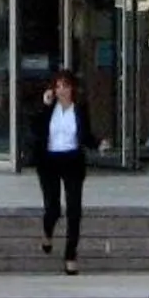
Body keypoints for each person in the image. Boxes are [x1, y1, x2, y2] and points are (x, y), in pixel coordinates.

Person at [35, 67, 96, 272]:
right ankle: (47, 233)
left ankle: (71, 255)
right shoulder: (48, 108)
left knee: (74, 210)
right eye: (58, 86)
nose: (61, 90)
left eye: (65, 86)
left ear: (72, 89)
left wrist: (98, 143)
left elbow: (86, 135)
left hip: (72, 160)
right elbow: (36, 130)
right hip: (49, 161)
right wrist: (44, 106)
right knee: (53, 208)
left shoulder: (79, 109)